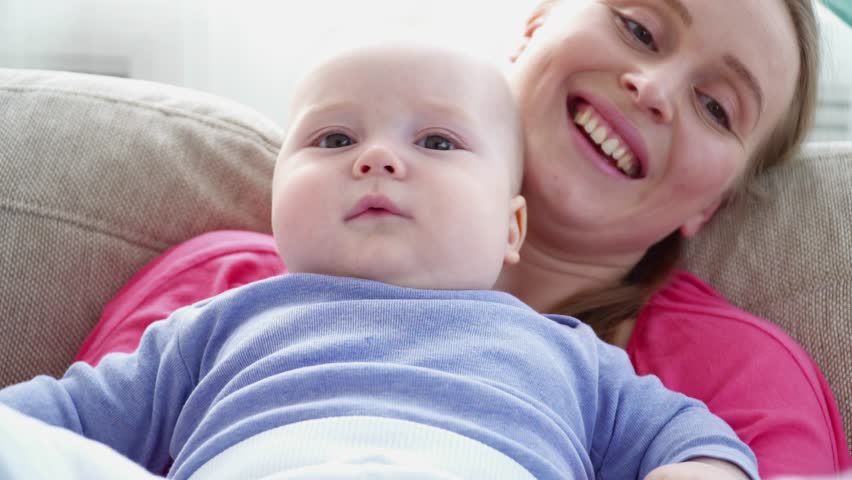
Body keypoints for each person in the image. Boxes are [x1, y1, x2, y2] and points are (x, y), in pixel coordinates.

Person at [71, 0, 850, 478]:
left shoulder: (730, 379)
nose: (653, 88)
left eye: (717, 107)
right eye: (638, 27)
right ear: (534, 28)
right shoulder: (223, 296)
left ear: (713, 204)